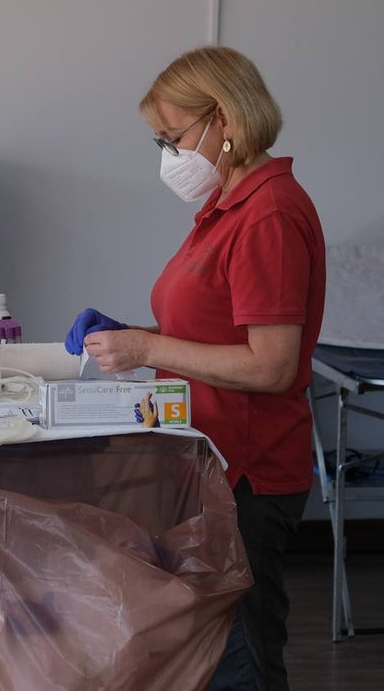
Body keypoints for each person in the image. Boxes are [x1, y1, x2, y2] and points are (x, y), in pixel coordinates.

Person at [64, 45, 325, 691]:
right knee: (207, 655)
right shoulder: (226, 207)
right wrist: (131, 336)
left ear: (225, 119)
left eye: (174, 137)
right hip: (207, 459)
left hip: (247, 470)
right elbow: (212, 331)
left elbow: (271, 366)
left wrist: (148, 350)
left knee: (242, 660)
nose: (170, 155)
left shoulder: (268, 214)